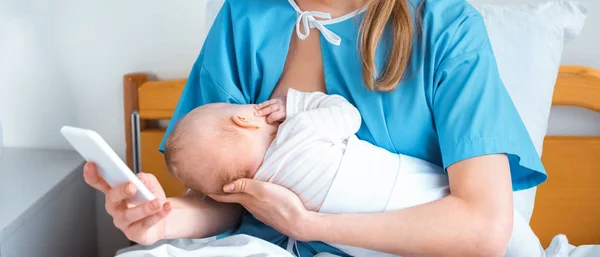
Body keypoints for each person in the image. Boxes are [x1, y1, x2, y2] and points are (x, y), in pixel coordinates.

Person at [84, 0, 547, 256]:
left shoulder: (445, 27)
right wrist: (161, 219)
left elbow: (484, 228)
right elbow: (227, 200)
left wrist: (309, 225)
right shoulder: (244, 18)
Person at [162, 88, 545, 257]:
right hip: (415, 194)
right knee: (516, 236)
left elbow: (219, 204)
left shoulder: (263, 191)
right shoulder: (299, 131)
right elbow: (346, 114)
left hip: (367, 243)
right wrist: (295, 104)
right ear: (246, 118)